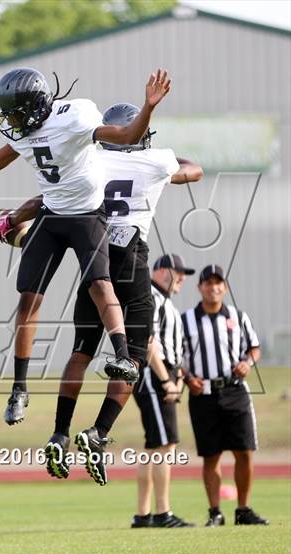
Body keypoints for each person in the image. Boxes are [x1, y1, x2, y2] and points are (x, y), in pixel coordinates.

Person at [0, 67, 172, 426]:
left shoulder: (75, 116)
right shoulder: (24, 135)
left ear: (36, 106)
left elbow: (126, 134)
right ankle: (19, 388)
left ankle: (122, 355)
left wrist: (147, 107)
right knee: (29, 298)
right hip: (53, 217)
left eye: (14, 112)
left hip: (88, 216)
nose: (10, 120)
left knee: (100, 285)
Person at [36, 103, 203, 485]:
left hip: (95, 260)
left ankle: (60, 431)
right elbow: (194, 170)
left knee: (80, 352)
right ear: (135, 133)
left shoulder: (89, 159)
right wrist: (162, 154)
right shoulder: (156, 160)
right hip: (131, 257)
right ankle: (98, 432)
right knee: (135, 358)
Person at [182, 264, 269, 526]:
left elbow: (254, 348)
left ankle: (243, 509)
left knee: (244, 451)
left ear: (225, 287)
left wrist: (248, 364)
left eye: (218, 282)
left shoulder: (238, 317)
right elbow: (176, 356)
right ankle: (215, 512)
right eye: (208, 283)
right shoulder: (186, 320)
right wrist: (187, 378)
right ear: (200, 288)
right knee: (211, 455)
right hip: (203, 393)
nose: (213, 287)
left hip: (234, 390)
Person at [131, 254, 196, 529]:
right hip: (152, 373)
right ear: (159, 271)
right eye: (176, 271)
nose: (181, 277)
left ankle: (143, 514)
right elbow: (147, 342)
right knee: (165, 444)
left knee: (154, 445)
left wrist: (177, 378)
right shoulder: (151, 298)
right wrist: (165, 380)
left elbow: (177, 349)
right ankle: (162, 513)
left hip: (165, 374)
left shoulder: (168, 304)